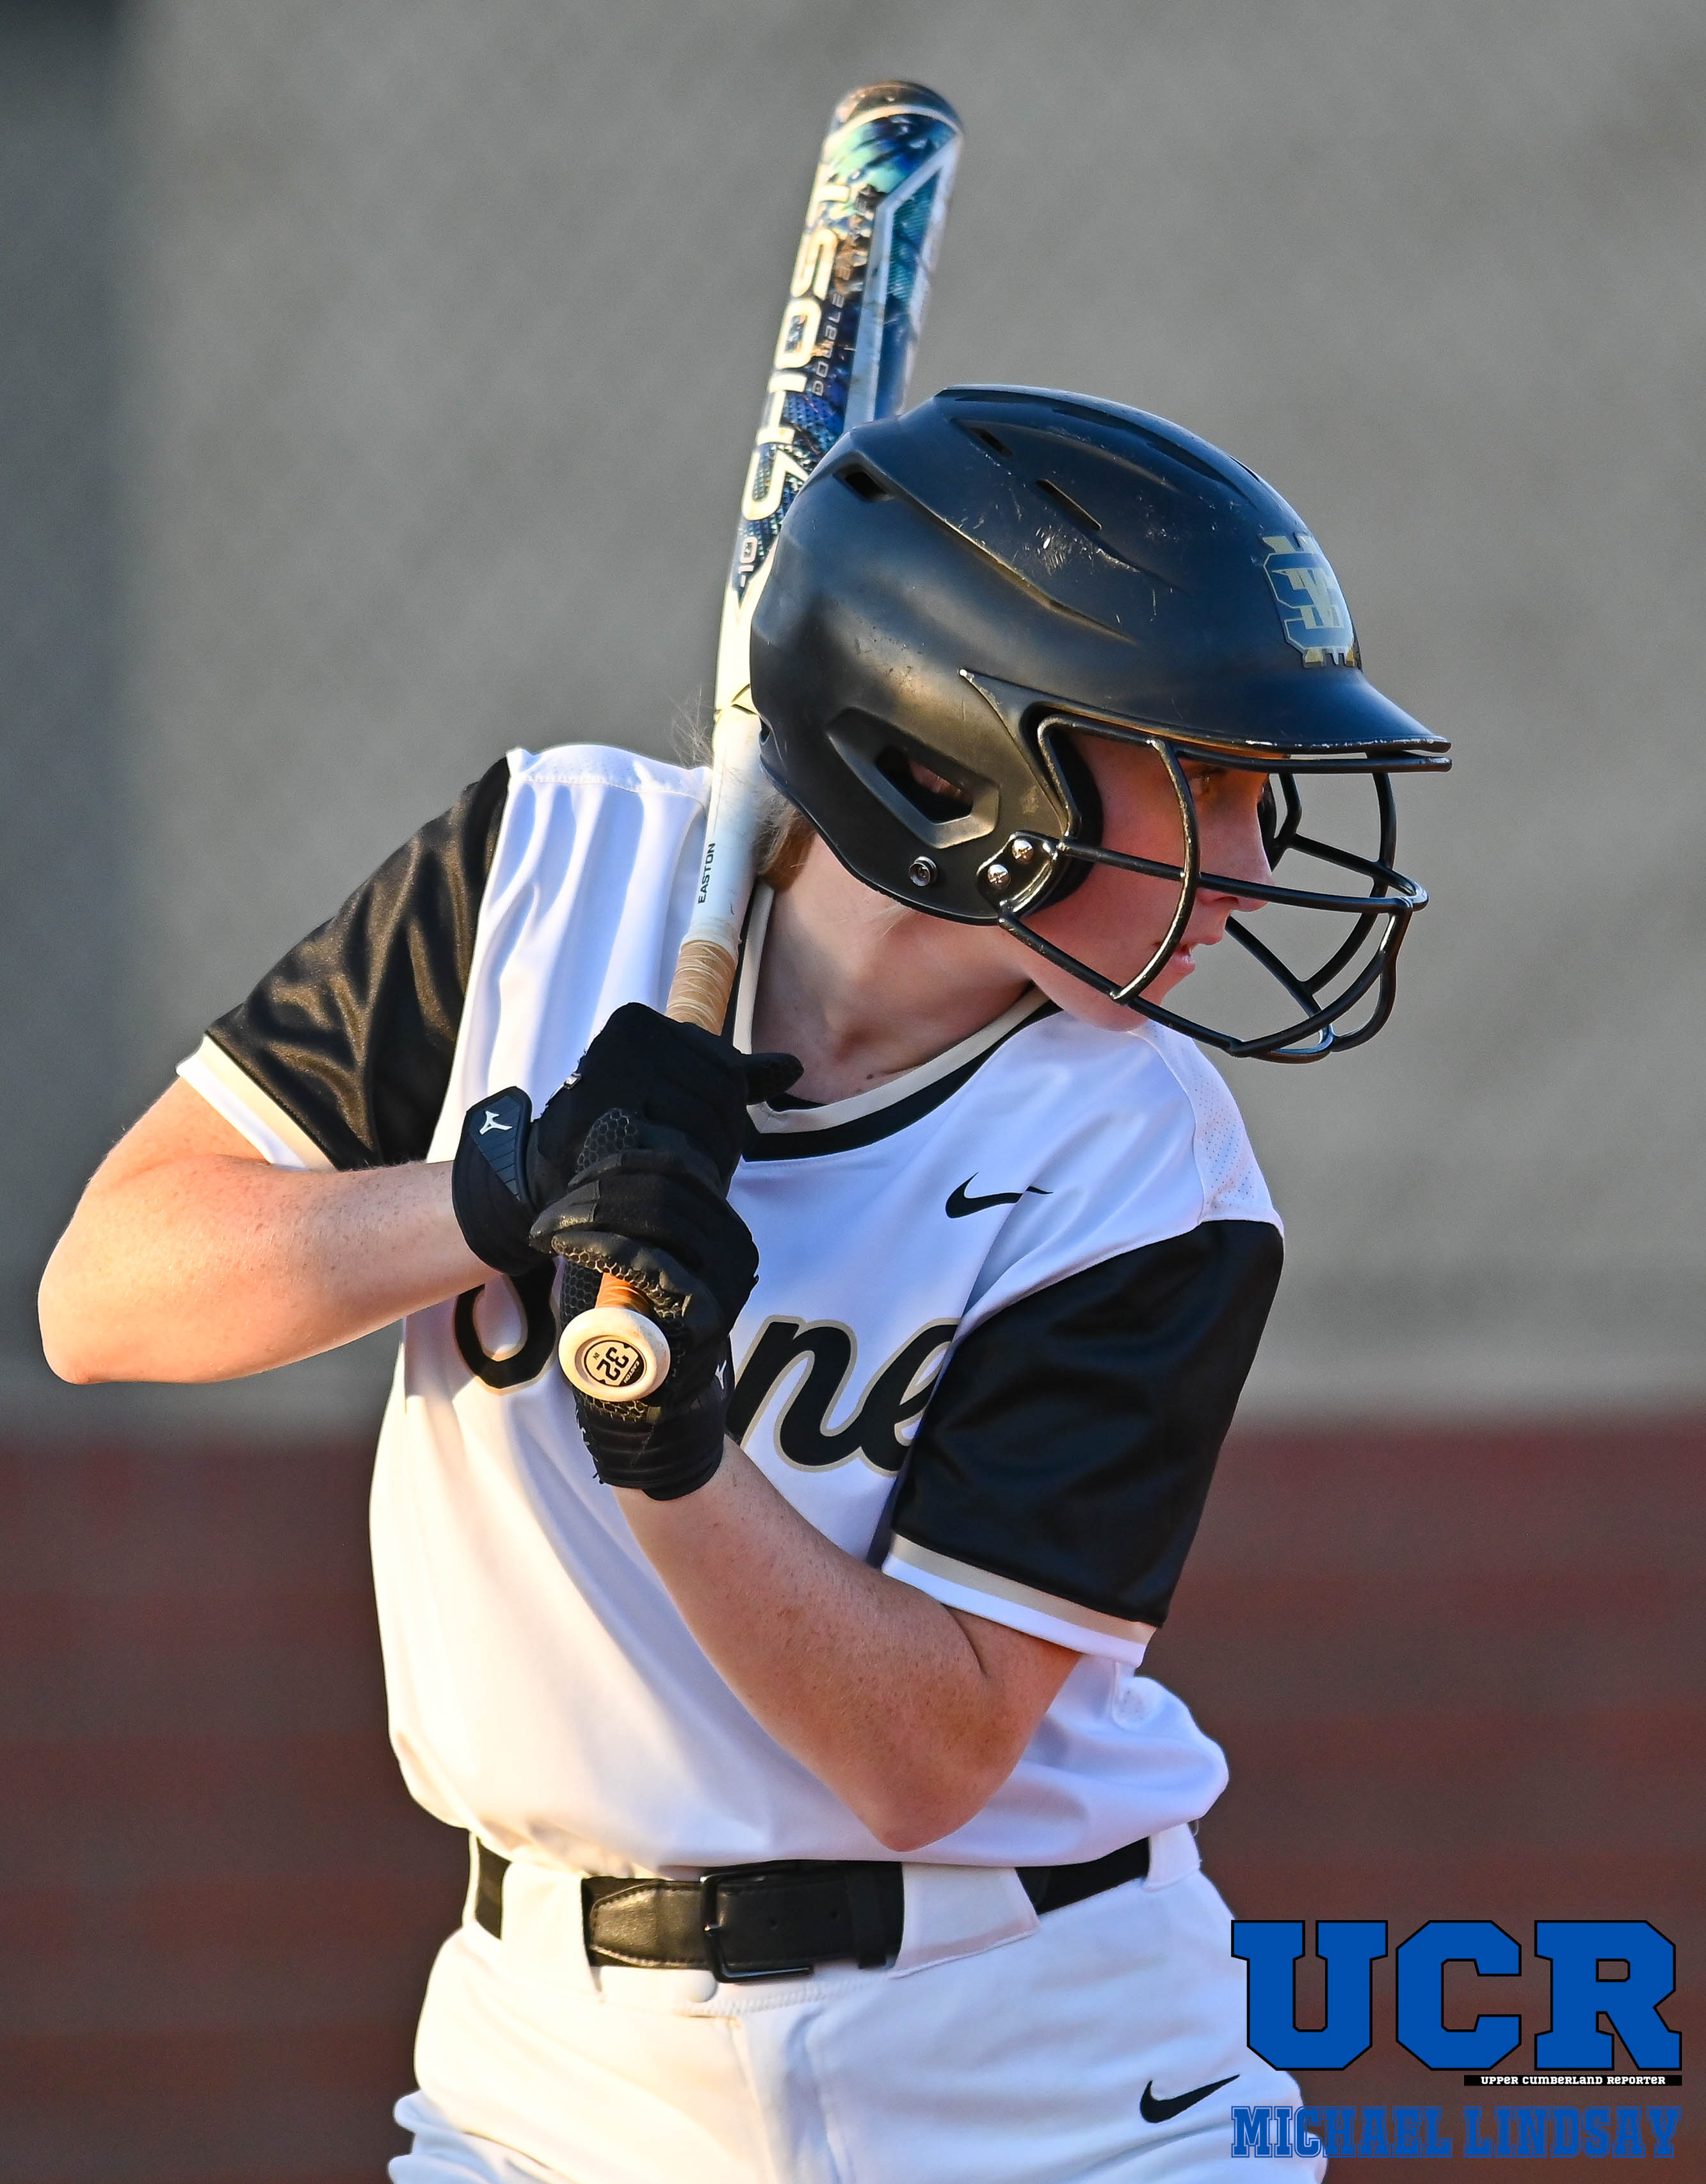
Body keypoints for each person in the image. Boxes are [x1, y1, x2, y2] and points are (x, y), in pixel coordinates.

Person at [39, 387, 1447, 2181]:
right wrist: (509, 1187)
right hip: (548, 2078)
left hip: (1038, 2066)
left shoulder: (1145, 1165)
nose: (1252, 866)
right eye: (1208, 781)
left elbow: (923, 1755)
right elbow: (108, 1297)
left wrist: (671, 1448)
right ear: (955, 773)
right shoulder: (543, 871)